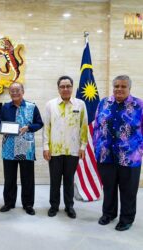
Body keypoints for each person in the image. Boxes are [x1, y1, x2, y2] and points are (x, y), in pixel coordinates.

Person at [94, 75, 143, 231]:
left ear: (129, 88)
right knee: (108, 187)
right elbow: (96, 127)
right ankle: (108, 213)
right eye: (116, 86)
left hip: (130, 156)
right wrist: (97, 146)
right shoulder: (104, 103)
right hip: (105, 154)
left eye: (123, 86)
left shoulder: (139, 105)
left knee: (128, 189)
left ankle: (126, 218)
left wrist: (139, 150)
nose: (119, 89)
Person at [43, 75, 88, 219]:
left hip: (73, 150)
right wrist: (45, 146)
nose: (65, 89)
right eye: (62, 86)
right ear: (58, 88)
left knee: (69, 180)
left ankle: (69, 206)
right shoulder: (50, 104)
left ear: (72, 87)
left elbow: (84, 126)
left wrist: (83, 146)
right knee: (55, 180)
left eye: (68, 86)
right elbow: (47, 127)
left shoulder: (80, 104)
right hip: (55, 150)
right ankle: (54, 206)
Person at [0, 83, 43, 214]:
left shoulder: (32, 106)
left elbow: (39, 123)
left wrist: (29, 128)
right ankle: (9, 203)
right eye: (12, 91)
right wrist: (2, 128)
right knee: (9, 178)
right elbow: (0, 122)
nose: (14, 93)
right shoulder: (5, 107)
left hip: (26, 147)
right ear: (9, 93)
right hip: (9, 147)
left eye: (17, 90)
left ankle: (28, 204)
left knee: (27, 178)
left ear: (23, 91)